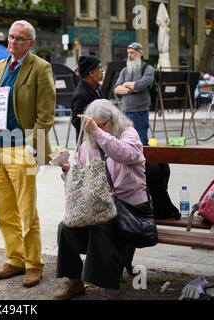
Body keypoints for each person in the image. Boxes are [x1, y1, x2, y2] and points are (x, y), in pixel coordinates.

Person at [0, 20, 55, 288]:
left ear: (31, 43)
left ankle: (34, 264)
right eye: (11, 37)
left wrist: (32, 148)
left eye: (20, 38)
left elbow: (45, 115)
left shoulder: (41, 68)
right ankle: (15, 259)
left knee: (27, 213)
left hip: (22, 149)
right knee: (4, 213)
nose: (13, 42)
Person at [54, 99, 150, 300]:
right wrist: (67, 171)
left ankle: (110, 290)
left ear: (113, 121)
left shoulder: (128, 134)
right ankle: (74, 282)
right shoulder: (87, 144)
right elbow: (78, 186)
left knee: (103, 225)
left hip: (129, 205)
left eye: (101, 124)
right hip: (99, 204)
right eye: (92, 125)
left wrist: (98, 133)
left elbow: (127, 154)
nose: (95, 130)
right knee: (66, 226)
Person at [114, 42, 154, 145]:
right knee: (125, 142)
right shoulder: (124, 70)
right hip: (124, 112)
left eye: (132, 53)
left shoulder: (148, 69)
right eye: (128, 53)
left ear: (140, 53)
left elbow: (141, 85)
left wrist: (126, 84)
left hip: (140, 112)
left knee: (141, 143)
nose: (129, 55)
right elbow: (117, 89)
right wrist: (132, 90)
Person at [70, 55, 104, 141]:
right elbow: (77, 122)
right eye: (99, 68)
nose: (102, 70)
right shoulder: (80, 94)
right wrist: (97, 124)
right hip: (88, 143)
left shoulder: (96, 87)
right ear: (91, 73)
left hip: (99, 139)